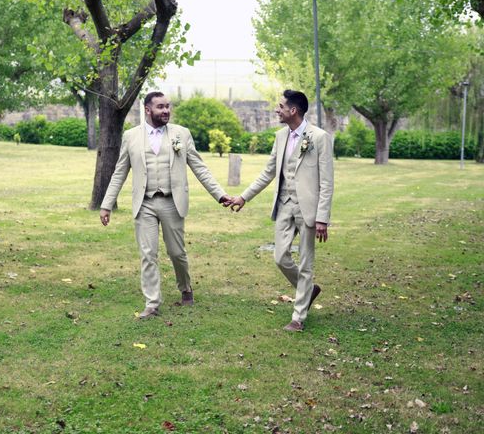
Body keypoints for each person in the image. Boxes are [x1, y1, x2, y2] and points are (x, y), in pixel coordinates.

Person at [100, 91, 230, 319]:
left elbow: (199, 167)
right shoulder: (131, 136)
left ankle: (186, 288)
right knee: (148, 254)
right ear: (148, 110)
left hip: (172, 201)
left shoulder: (181, 134)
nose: (166, 111)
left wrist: (219, 195)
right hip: (145, 203)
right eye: (160, 107)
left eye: (168, 106)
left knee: (176, 252)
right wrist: (106, 204)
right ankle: (152, 303)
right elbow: (120, 172)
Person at [227, 90, 334, 332]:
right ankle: (309, 290)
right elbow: (268, 172)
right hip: (284, 205)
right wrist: (244, 197)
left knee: (306, 263)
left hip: (309, 209)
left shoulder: (319, 137)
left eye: (281, 106)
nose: (277, 110)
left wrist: (322, 218)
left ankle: (298, 318)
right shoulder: (280, 137)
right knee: (280, 257)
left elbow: (327, 181)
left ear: (293, 110)